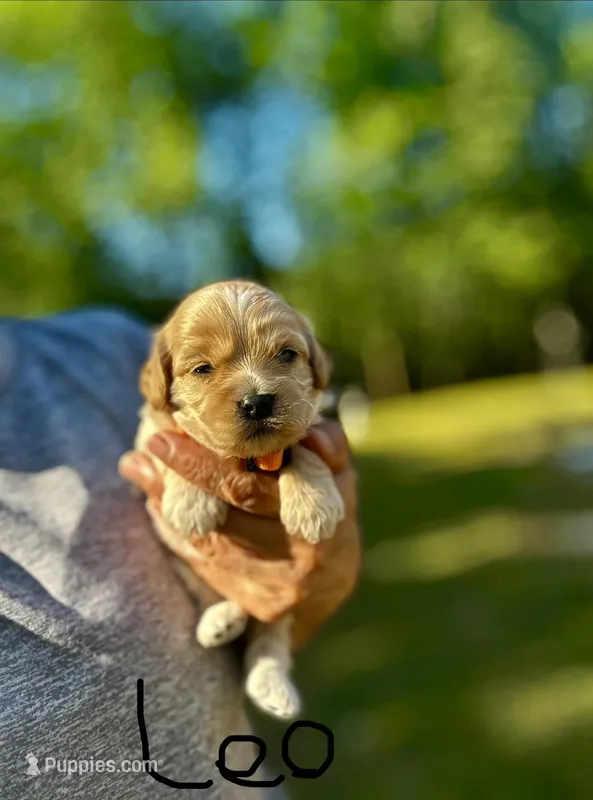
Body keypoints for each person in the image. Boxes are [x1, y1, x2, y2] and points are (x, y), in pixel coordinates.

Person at [0, 306, 360, 798]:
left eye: (285, 355)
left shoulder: (113, 349)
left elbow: (307, 592)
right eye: (205, 368)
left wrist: (313, 577)